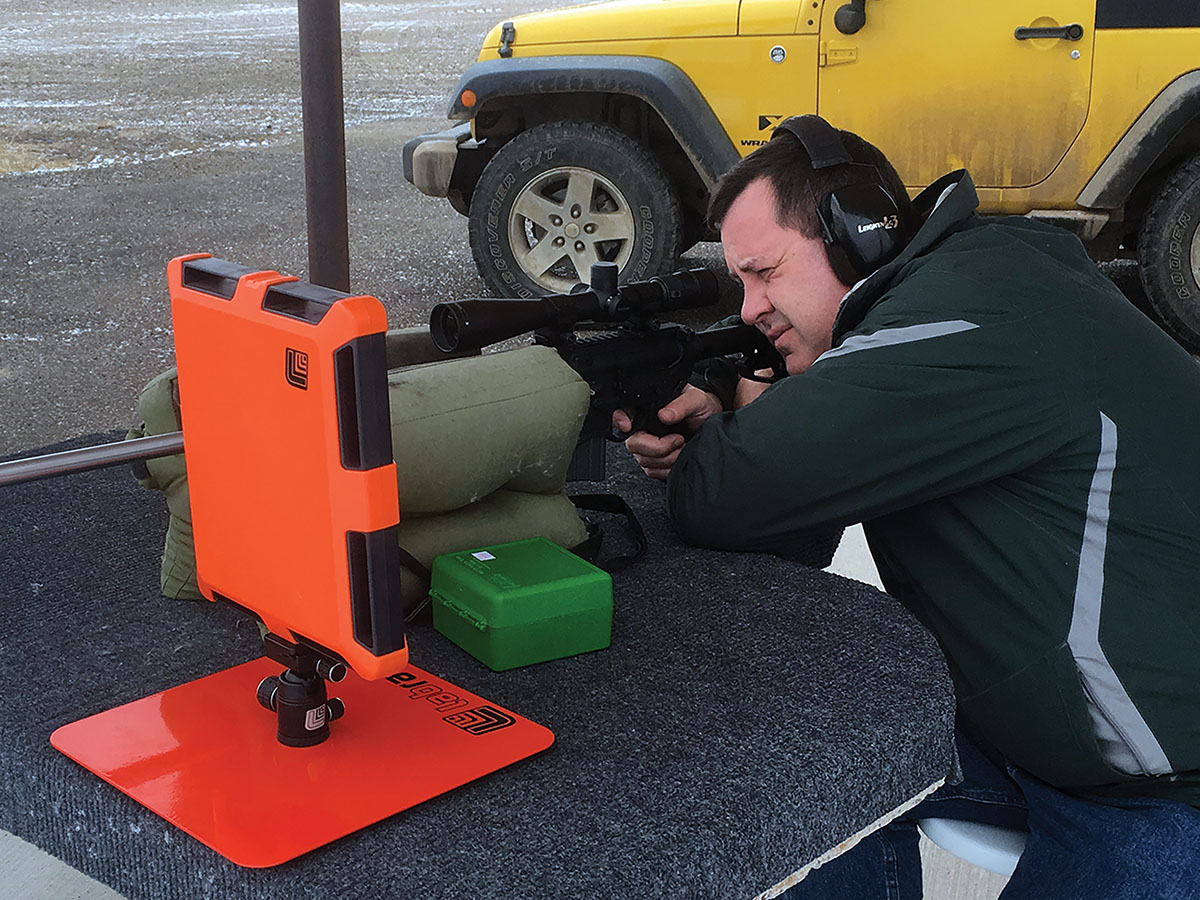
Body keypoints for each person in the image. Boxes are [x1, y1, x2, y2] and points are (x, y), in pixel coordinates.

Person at [615, 115, 1200, 899]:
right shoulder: (988, 273)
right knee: (808, 755)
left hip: (1157, 777)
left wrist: (722, 431)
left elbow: (730, 498)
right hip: (1040, 722)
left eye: (765, 272)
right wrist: (731, 388)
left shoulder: (962, 322)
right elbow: (800, 507)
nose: (750, 307)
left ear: (859, 236)